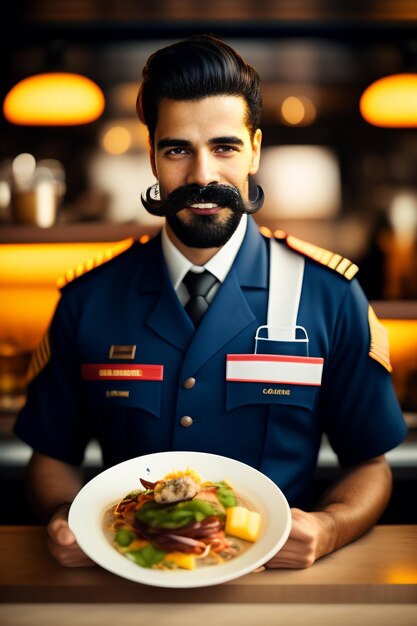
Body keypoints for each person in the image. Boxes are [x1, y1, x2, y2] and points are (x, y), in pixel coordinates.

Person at [14, 34, 407, 569]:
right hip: (125, 591)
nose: (202, 176)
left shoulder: (330, 294)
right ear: (152, 155)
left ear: (255, 151)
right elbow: (51, 455)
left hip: (275, 593)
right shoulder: (89, 299)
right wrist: (63, 515)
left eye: (224, 147)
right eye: (178, 149)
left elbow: (371, 463)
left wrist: (330, 527)